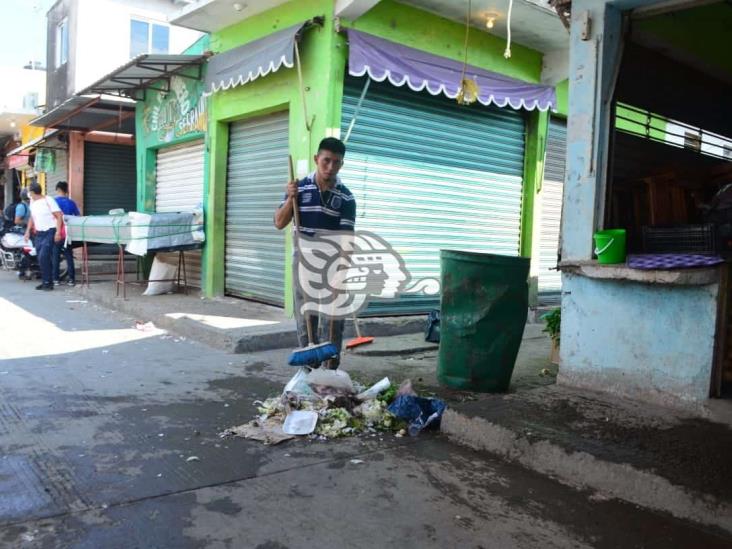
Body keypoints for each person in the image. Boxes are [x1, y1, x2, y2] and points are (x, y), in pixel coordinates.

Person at [274, 137, 355, 370]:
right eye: (326, 161)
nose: (330, 167)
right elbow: (279, 223)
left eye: (336, 163)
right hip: (303, 258)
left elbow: (347, 239)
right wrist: (291, 198)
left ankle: (330, 374)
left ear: (341, 164)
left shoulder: (347, 197)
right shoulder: (298, 188)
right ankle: (309, 371)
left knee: (333, 319)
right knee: (306, 317)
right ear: (316, 159)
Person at [24, 182, 63, 291]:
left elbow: (59, 216)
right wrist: (27, 231)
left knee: (43, 256)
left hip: (50, 231)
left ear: (32, 192)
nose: (29, 194)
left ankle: (48, 282)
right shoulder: (32, 202)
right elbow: (32, 217)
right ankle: (47, 281)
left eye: (29, 192)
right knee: (40, 258)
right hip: (39, 233)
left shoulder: (48, 200)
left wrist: (58, 232)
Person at [52, 181, 80, 286]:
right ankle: (71, 279)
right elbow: (77, 217)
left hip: (58, 232)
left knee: (55, 255)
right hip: (69, 233)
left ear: (58, 189)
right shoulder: (71, 203)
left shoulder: (54, 202)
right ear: (66, 190)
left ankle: (55, 279)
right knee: (69, 255)